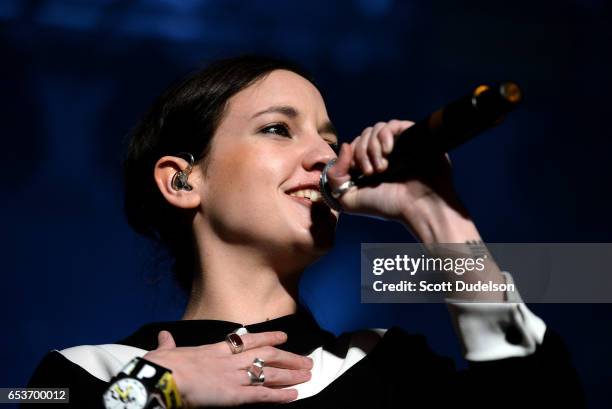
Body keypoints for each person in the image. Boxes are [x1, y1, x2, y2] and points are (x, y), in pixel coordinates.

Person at [22, 55, 586, 408]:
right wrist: (148, 392)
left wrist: (436, 212)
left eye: (329, 138)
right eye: (278, 129)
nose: (324, 155)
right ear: (182, 180)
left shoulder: (387, 367)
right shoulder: (87, 372)